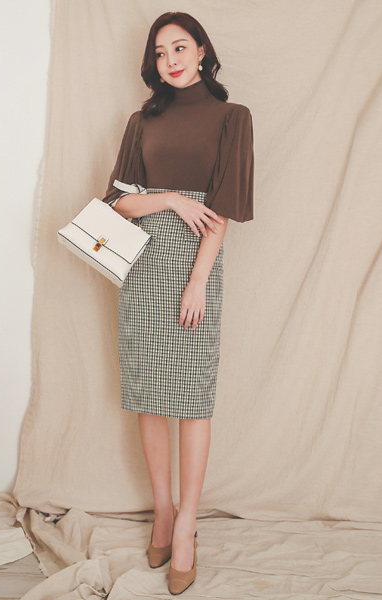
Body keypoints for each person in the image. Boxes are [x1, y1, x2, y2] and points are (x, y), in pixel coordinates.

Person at [101, 11, 254, 595]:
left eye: (180, 47)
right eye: (161, 52)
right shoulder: (142, 121)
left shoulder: (232, 118)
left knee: (191, 395)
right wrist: (167, 198)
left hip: (194, 265)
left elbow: (224, 207)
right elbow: (115, 201)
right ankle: (162, 510)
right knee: (148, 392)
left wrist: (198, 282)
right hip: (142, 268)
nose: (170, 60)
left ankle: (187, 524)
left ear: (202, 50)